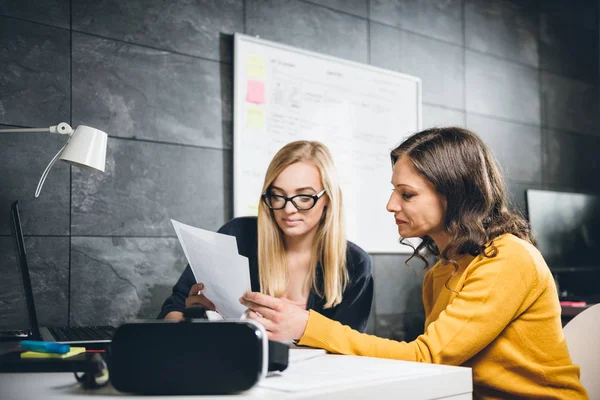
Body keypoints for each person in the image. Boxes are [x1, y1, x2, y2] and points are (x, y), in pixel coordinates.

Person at [240, 128, 588, 398]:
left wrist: (306, 326)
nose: (391, 205)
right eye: (394, 191)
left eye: (406, 194)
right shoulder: (441, 272)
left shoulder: (507, 258)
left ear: (453, 195)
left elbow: (429, 358)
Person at [158, 140, 373, 338]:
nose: (289, 209)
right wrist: (191, 318)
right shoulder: (238, 235)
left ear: (328, 198)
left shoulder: (353, 264)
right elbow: (172, 310)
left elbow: (348, 347)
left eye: (304, 197)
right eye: (277, 196)